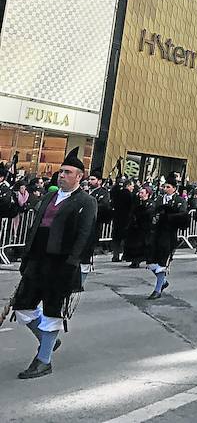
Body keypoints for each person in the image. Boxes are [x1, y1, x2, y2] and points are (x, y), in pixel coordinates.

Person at [12, 147, 97, 379]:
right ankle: (47, 341)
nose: (62, 175)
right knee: (22, 307)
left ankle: (44, 360)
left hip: (61, 263)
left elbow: (85, 234)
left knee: (52, 311)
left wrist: (73, 262)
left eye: (67, 172)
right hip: (37, 259)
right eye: (61, 171)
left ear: (79, 176)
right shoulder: (49, 196)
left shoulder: (86, 201)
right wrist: (26, 255)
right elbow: (36, 226)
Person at [147, 174, 188, 300]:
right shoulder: (159, 199)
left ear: (174, 188)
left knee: (162, 262)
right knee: (151, 262)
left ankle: (157, 289)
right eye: (164, 186)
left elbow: (183, 215)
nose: (165, 189)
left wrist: (168, 217)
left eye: (168, 187)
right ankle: (163, 281)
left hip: (169, 235)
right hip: (156, 234)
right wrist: (153, 218)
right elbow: (152, 211)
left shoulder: (180, 201)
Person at [124, 186, 156, 268]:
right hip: (135, 228)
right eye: (140, 193)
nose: (140, 194)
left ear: (147, 194)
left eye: (142, 193)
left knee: (144, 245)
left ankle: (143, 260)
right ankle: (133, 260)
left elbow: (149, 213)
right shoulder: (136, 202)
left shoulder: (150, 203)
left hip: (145, 227)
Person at [109, 179, 137, 263]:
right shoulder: (130, 195)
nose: (133, 187)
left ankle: (115, 255)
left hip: (117, 218)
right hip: (126, 219)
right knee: (123, 238)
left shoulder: (117, 194)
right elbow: (131, 208)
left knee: (116, 237)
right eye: (132, 185)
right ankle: (122, 254)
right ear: (128, 186)